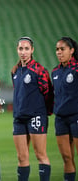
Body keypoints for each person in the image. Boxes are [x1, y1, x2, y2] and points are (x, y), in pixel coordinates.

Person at [11, 37, 53, 181]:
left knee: (40, 155)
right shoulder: (15, 71)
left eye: (26, 49)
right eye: (20, 49)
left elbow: (48, 93)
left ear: (32, 50)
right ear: (17, 50)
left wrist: (42, 112)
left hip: (36, 116)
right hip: (19, 118)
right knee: (22, 157)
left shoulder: (39, 70)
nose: (23, 52)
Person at [51, 37, 78, 181]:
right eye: (57, 49)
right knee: (67, 158)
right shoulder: (55, 72)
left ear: (72, 51)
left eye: (62, 49)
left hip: (76, 117)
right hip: (60, 119)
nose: (59, 52)